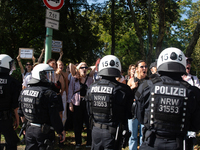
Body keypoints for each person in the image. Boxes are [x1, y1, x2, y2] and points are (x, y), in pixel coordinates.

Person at [135, 47, 200, 150]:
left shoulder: (146, 87)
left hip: (151, 143)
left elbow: (140, 117)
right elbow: (195, 126)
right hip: (177, 144)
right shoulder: (192, 92)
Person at [85, 55, 133, 150]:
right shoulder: (123, 90)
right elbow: (129, 114)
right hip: (113, 133)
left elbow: (88, 110)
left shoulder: (91, 87)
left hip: (95, 131)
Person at [18, 64, 65, 150]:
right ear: (39, 76)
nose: (49, 78)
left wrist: (24, 126)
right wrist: (60, 130)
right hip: (44, 132)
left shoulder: (24, 92)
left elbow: (21, 113)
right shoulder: (49, 94)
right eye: (46, 74)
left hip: (29, 129)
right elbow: (54, 116)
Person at [68, 62, 96, 148]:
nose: (84, 69)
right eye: (82, 68)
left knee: (88, 123)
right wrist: (70, 103)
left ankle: (89, 142)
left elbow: (94, 67)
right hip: (77, 102)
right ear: (78, 69)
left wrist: (88, 68)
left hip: (87, 102)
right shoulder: (74, 79)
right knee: (77, 123)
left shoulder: (90, 79)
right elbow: (70, 91)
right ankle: (78, 142)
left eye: (85, 68)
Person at [0, 54, 21, 150]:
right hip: (5, 119)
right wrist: (17, 119)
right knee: (11, 143)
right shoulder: (13, 82)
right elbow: (15, 105)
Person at [127, 60, 148, 150]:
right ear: (137, 69)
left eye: (146, 66)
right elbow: (126, 96)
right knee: (133, 135)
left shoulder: (149, 81)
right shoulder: (131, 80)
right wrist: (132, 87)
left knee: (144, 135)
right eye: (142, 67)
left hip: (145, 111)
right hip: (133, 111)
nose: (144, 68)